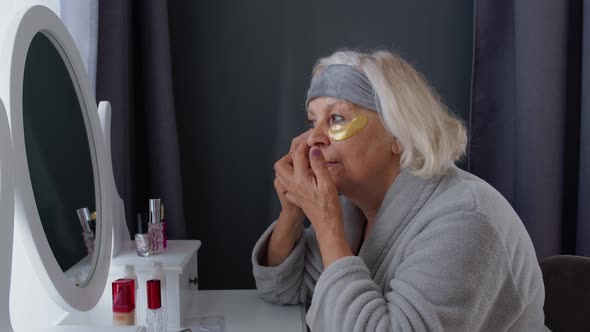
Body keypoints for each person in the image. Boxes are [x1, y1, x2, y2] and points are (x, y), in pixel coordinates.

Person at [251, 49, 548, 331]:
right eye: (312, 121)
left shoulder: (466, 220)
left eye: (337, 119)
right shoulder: (355, 210)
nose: (313, 138)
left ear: (400, 136)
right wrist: (293, 210)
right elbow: (282, 288)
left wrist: (328, 228)